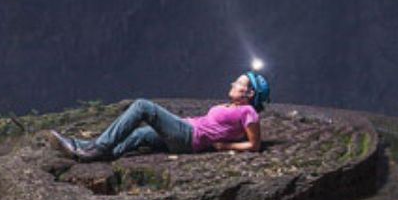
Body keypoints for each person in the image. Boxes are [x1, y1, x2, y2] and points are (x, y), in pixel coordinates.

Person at [50, 71, 270, 161]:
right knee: (141, 135)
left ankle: (93, 149)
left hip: (190, 137)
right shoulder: (233, 106)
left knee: (143, 106)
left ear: (251, 93)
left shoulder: (248, 111)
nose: (233, 83)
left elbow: (255, 145)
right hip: (187, 130)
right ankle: (85, 148)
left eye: (240, 83)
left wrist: (224, 147)